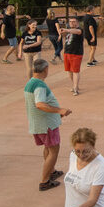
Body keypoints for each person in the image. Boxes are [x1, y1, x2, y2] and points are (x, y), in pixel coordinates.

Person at [25, 59, 73, 191]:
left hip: (39, 124)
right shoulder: (39, 85)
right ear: (45, 69)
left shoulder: (30, 83)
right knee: (53, 150)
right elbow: (39, 104)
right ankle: (45, 181)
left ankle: (51, 171)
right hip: (46, 125)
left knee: (48, 148)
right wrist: (59, 110)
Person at [59, 17, 85, 95]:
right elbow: (65, 36)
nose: (72, 23)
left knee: (75, 71)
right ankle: (74, 85)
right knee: (69, 70)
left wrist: (66, 30)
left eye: (73, 21)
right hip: (67, 52)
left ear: (77, 22)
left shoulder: (79, 29)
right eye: (70, 21)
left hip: (76, 53)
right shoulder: (69, 30)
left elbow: (77, 32)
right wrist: (61, 32)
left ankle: (76, 88)